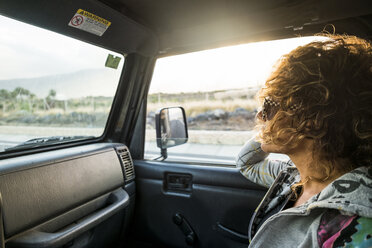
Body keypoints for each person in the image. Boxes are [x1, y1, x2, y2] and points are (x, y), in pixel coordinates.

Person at [236, 35, 372, 247]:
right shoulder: (294, 176)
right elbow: (246, 163)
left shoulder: (355, 224)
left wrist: (275, 129)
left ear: (312, 119)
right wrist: (272, 127)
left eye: (270, 106)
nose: (260, 117)